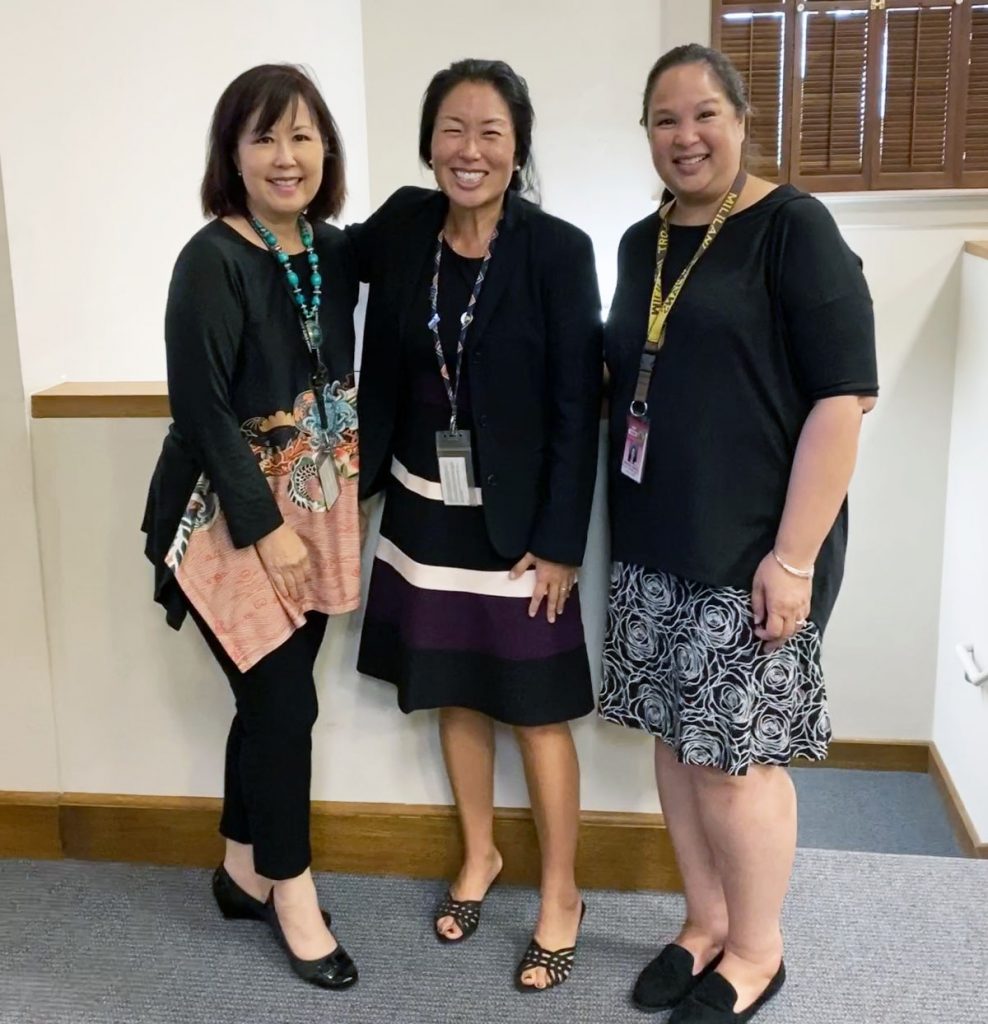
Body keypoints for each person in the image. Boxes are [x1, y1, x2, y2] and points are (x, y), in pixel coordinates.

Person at [599, 44, 878, 1023]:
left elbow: (842, 400)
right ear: (646, 135)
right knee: (677, 746)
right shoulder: (644, 244)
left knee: (733, 758)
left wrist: (793, 557)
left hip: (756, 547)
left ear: (742, 120)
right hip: (653, 538)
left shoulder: (791, 228)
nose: (686, 136)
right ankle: (703, 922)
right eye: (665, 119)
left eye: (704, 113)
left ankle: (757, 950)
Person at [348, 59, 602, 991]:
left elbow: (578, 405)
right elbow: (320, 260)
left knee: (534, 714)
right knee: (457, 695)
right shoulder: (405, 227)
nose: (470, 149)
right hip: (423, 508)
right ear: (428, 143)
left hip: (521, 526)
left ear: (519, 146)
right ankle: (480, 855)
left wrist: (565, 541)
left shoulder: (557, 250)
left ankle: (563, 892)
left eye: (491, 131)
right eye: (453, 129)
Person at [141, 64, 361, 991]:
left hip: (315, 512)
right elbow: (201, 409)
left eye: (303, 135)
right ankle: (290, 888)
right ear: (232, 153)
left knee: (268, 703)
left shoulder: (329, 247)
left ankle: (239, 869)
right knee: (285, 704)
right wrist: (267, 527)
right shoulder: (212, 259)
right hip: (227, 519)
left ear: (326, 150)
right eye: (264, 137)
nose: (286, 155)